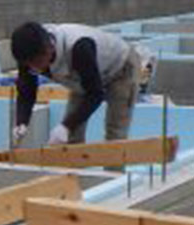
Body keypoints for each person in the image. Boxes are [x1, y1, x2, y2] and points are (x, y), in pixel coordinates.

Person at [10, 22, 141, 147]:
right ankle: (74, 164)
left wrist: (65, 126)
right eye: (29, 65)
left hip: (120, 68)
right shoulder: (27, 53)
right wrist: (22, 121)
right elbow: (26, 91)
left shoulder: (79, 48)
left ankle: (113, 164)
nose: (35, 68)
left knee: (115, 135)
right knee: (71, 136)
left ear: (48, 49)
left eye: (38, 62)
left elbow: (95, 94)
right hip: (82, 76)